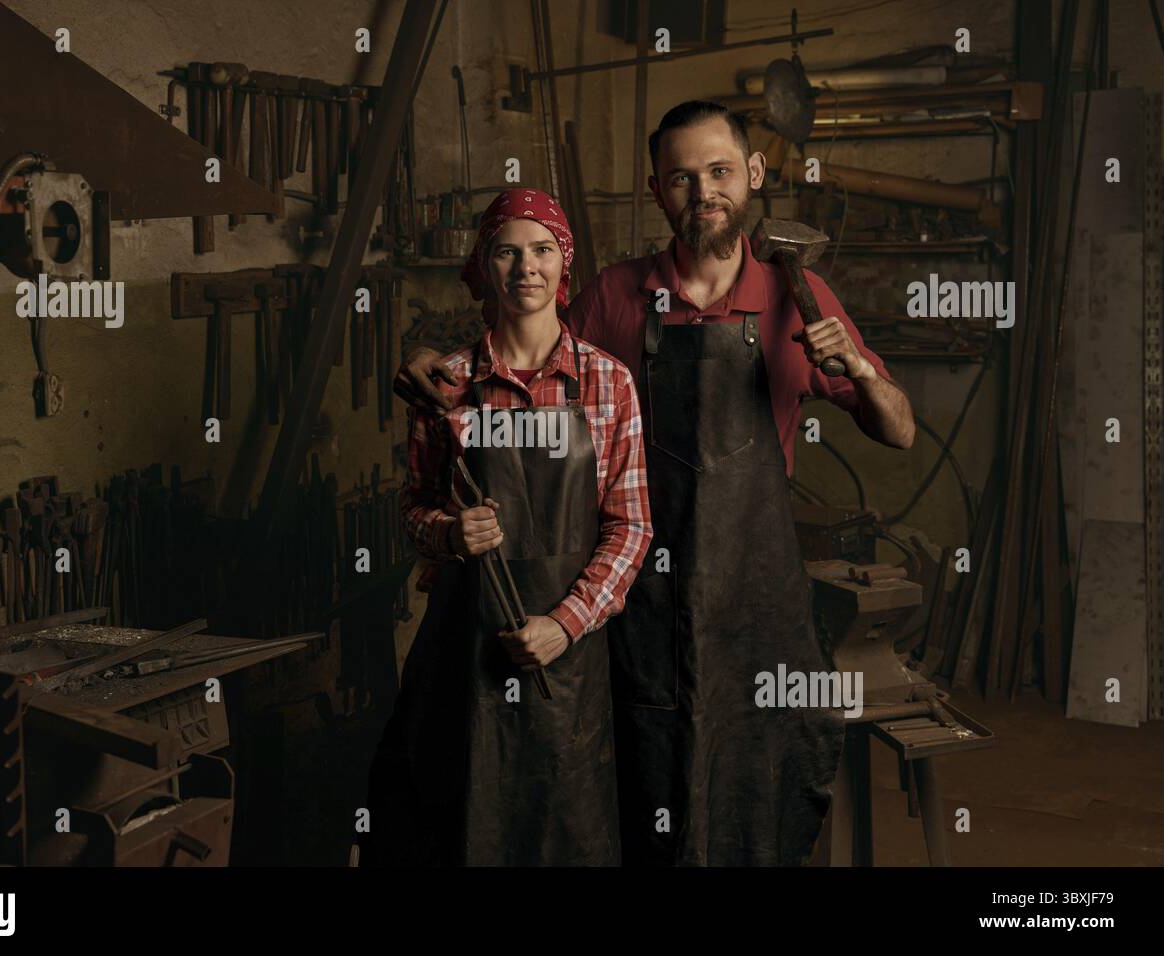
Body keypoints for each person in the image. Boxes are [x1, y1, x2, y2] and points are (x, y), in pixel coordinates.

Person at [393, 101, 916, 866]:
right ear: (655, 190)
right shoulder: (615, 295)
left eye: (719, 172)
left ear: (753, 176)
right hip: (638, 608)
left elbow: (899, 431)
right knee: (638, 804)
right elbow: (528, 347)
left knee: (757, 796)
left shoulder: (797, 296)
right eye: (682, 178)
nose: (703, 191)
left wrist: (862, 371)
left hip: (753, 607)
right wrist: (435, 368)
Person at [362, 187, 652, 866]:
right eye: (507, 251)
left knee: (565, 836)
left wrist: (567, 621)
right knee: (453, 832)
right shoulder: (447, 384)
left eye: (543, 250)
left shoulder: (609, 384)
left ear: (564, 265)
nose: (527, 267)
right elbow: (413, 507)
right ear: (484, 266)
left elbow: (631, 526)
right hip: (463, 658)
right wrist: (446, 533)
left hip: (565, 663)